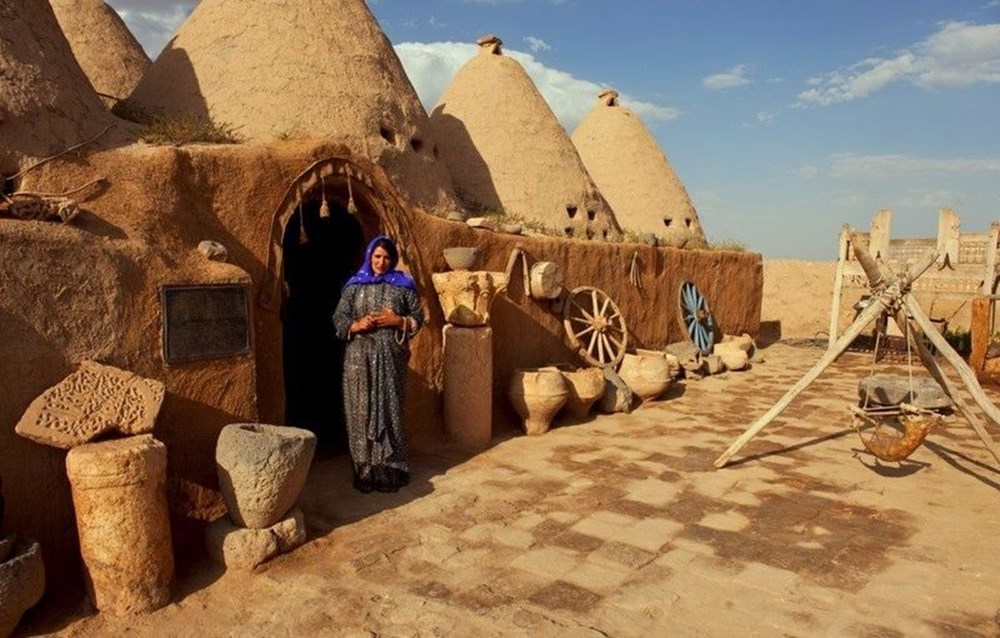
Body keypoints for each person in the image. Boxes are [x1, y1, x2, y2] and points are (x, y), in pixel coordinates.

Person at [332, 235, 423, 493]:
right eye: (377, 257)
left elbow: (419, 317)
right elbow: (339, 317)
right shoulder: (353, 286)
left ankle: (391, 471)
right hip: (358, 359)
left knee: (389, 408)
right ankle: (365, 472)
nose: (381, 262)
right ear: (369, 257)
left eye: (386, 258)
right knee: (360, 411)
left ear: (392, 260)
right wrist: (356, 325)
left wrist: (398, 321)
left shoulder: (403, 285)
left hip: (390, 358)